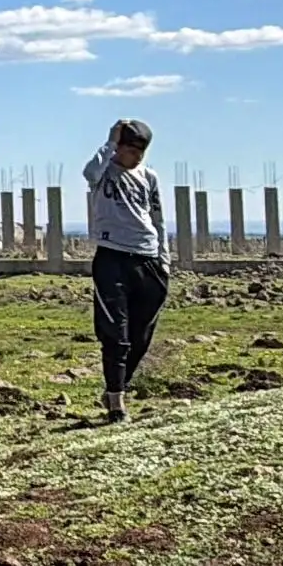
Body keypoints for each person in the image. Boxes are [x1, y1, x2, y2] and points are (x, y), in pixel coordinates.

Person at [82, 118, 171, 421]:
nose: (134, 157)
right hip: (112, 259)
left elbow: (158, 221)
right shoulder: (103, 171)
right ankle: (116, 403)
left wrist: (164, 262)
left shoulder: (150, 178)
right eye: (129, 150)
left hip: (149, 261)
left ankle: (115, 387)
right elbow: (88, 172)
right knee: (115, 335)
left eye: (140, 151)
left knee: (140, 337)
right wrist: (109, 142)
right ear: (118, 148)